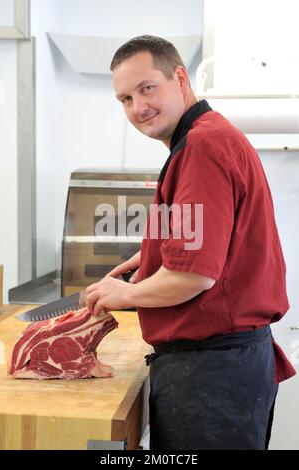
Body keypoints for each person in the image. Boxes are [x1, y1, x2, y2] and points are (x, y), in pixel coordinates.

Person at [85, 35, 296, 450]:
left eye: (147, 88)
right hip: (223, 369)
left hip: (212, 376)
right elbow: (202, 241)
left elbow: (192, 276)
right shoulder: (205, 136)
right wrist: (148, 255)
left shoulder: (201, 146)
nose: (137, 108)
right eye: (125, 98)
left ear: (179, 77)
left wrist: (123, 295)